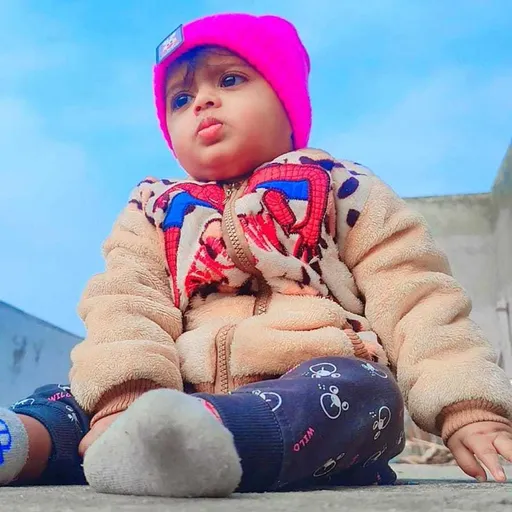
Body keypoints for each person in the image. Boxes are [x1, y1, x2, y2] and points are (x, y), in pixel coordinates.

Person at [1, 13, 511, 497]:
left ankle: (197, 441)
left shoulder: (344, 187)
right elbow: (126, 301)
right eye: (181, 98)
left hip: (312, 392)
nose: (202, 102)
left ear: (287, 105)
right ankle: (21, 442)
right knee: (76, 395)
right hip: (173, 394)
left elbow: (415, 295)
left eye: (229, 80)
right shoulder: (154, 209)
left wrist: (468, 407)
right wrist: (124, 400)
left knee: (365, 390)